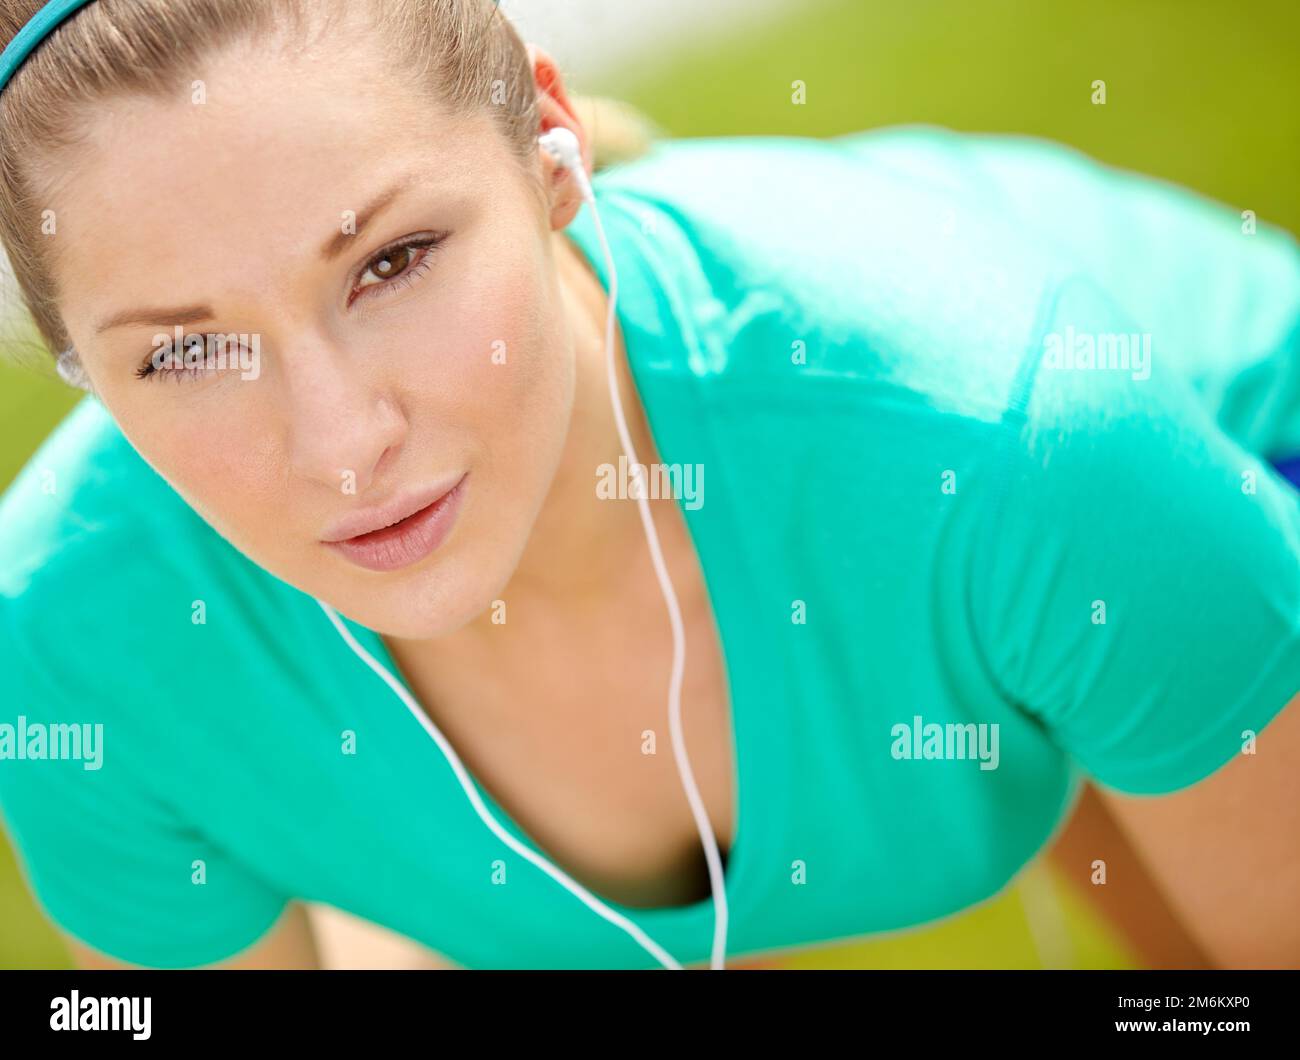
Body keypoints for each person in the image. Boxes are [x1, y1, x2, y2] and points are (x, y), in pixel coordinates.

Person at [0, 0, 1297, 972]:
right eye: (185, 349)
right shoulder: (72, 651)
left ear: (549, 142)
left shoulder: (1022, 454)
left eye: (393, 262)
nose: (341, 443)